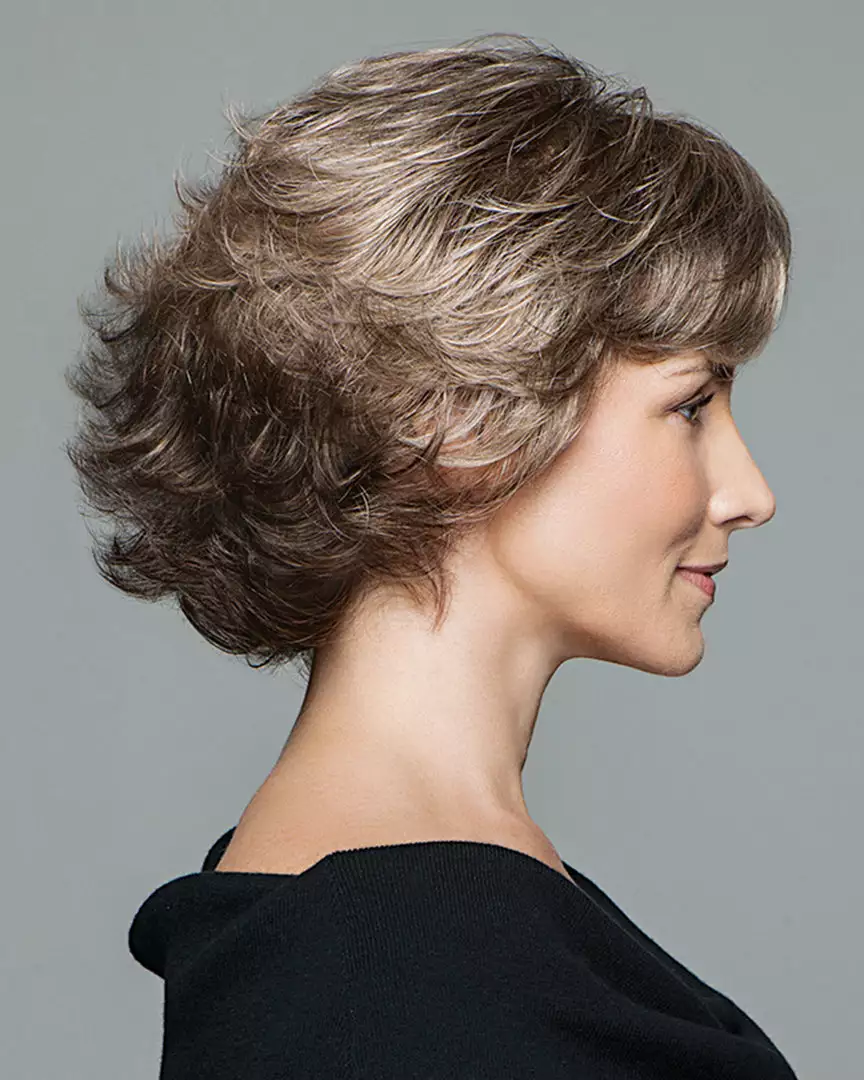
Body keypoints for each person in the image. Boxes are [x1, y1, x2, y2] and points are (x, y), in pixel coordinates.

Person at [64, 32, 799, 1079]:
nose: (750, 493)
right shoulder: (391, 977)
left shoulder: (416, 920)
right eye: (690, 405)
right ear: (456, 417)